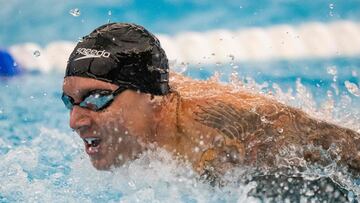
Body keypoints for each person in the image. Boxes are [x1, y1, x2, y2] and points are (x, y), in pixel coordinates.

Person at [62, 23, 360, 179]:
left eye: (97, 99)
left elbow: (345, 149)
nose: (75, 121)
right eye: (70, 101)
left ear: (151, 97)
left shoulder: (218, 146)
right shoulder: (147, 93)